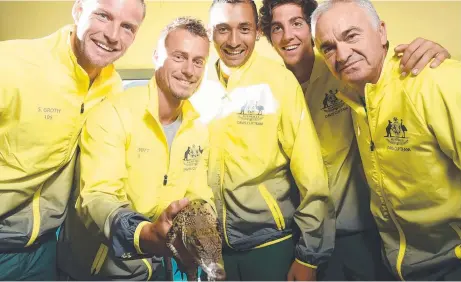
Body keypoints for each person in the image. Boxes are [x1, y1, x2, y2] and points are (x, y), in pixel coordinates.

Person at [258, 0, 452, 280]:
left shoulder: (345, 71)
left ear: (312, 31)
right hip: (307, 235)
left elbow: (388, 74)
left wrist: (430, 55)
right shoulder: (272, 89)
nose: (288, 35)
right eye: (277, 28)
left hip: (367, 234)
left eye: (297, 23)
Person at [56, 17, 216, 280]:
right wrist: (144, 233)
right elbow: (97, 196)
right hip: (98, 271)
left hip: (159, 270)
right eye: (179, 57)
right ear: (156, 57)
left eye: (198, 61)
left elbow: (198, 193)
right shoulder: (112, 113)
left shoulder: (197, 129)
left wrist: (200, 225)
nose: (189, 70)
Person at [311, 0, 461, 280]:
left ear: (381, 32)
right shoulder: (355, 96)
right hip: (396, 266)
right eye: (328, 48)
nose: (341, 54)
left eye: (351, 35)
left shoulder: (435, 81)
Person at [0, 0, 145, 279]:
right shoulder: (10, 63)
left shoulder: (114, 90)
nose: (113, 35)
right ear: (78, 11)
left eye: (127, 27)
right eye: (103, 16)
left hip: (43, 251)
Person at [194, 0, 334, 280]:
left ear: (257, 31)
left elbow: (312, 177)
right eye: (223, 29)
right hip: (212, 252)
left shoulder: (279, 81)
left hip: (271, 245)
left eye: (244, 28)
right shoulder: (196, 82)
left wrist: (309, 256)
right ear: (210, 33)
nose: (234, 41)